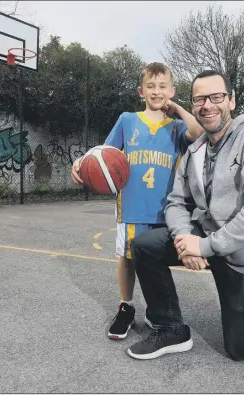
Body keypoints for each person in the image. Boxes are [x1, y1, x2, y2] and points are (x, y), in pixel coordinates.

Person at [127, 70, 244, 361]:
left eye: (216, 97)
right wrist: (184, 238)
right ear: (193, 105)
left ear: (231, 100)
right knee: (145, 245)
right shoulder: (194, 150)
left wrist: (204, 247)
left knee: (241, 349)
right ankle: (171, 328)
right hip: (208, 239)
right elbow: (175, 202)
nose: (207, 105)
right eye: (199, 99)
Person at [71, 62, 204, 340]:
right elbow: (102, 155)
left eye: (163, 86)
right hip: (132, 206)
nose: (157, 91)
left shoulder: (178, 126)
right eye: (151, 86)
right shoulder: (127, 120)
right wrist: (80, 162)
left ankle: (156, 309)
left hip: (167, 210)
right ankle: (127, 307)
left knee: (155, 261)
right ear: (141, 91)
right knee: (128, 258)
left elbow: (200, 132)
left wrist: (178, 108)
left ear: (172, 90)